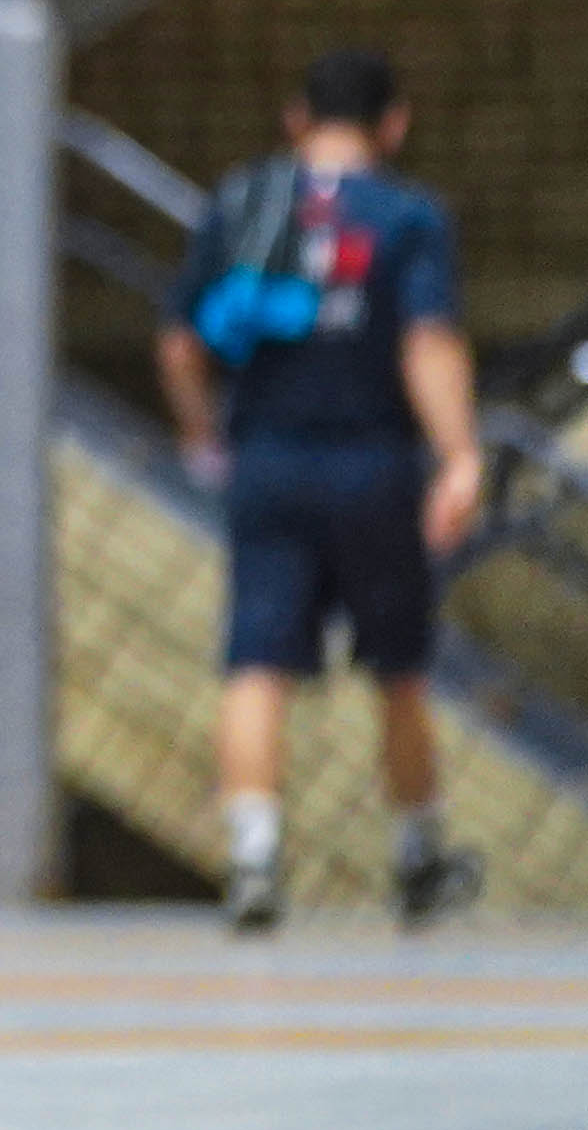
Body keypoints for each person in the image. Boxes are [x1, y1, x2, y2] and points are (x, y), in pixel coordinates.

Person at [160, 46, 487, 933]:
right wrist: (459, 455)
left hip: (266, 460)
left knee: (255, 660)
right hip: (374, 463)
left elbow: (181, 346)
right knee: (398, 666)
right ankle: (417, 855)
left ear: (297, 119)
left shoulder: (241, 202)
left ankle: (253, 859)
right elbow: (427, 341)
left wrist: (202, 438)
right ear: (394, 124)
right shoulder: (409, 216)